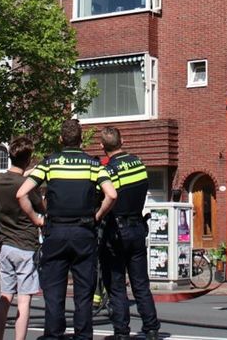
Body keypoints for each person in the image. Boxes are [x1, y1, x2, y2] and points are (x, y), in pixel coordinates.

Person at [16, 119, 116, 340]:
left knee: (53, 290)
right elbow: (112, 194)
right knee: (84, 292)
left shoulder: (49, 163)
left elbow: (21, 193)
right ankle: (83, 335)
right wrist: (97, 216)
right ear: (81, 140)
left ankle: (54, 335)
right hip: (84, 232)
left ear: (60, 139)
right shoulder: (92, 164)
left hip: (56, 232)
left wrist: (36, 219)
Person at [98, 127, 160, 340]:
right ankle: (151, 328)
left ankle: (121, 331)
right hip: (137, 228)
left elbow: (106, 198)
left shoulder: (107, 171)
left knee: (116, 284)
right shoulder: (139, 164)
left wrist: (97, 216)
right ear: (122, 141)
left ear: (102, 147)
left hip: (115, 231)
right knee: (141, 283)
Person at [0, 136, 41, 340]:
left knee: (5, 297)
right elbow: (40, 207)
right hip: (26, 244)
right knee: (24, 300)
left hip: (6, 244)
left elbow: (15, 178)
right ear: (28, 159)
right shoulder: (27, 186)